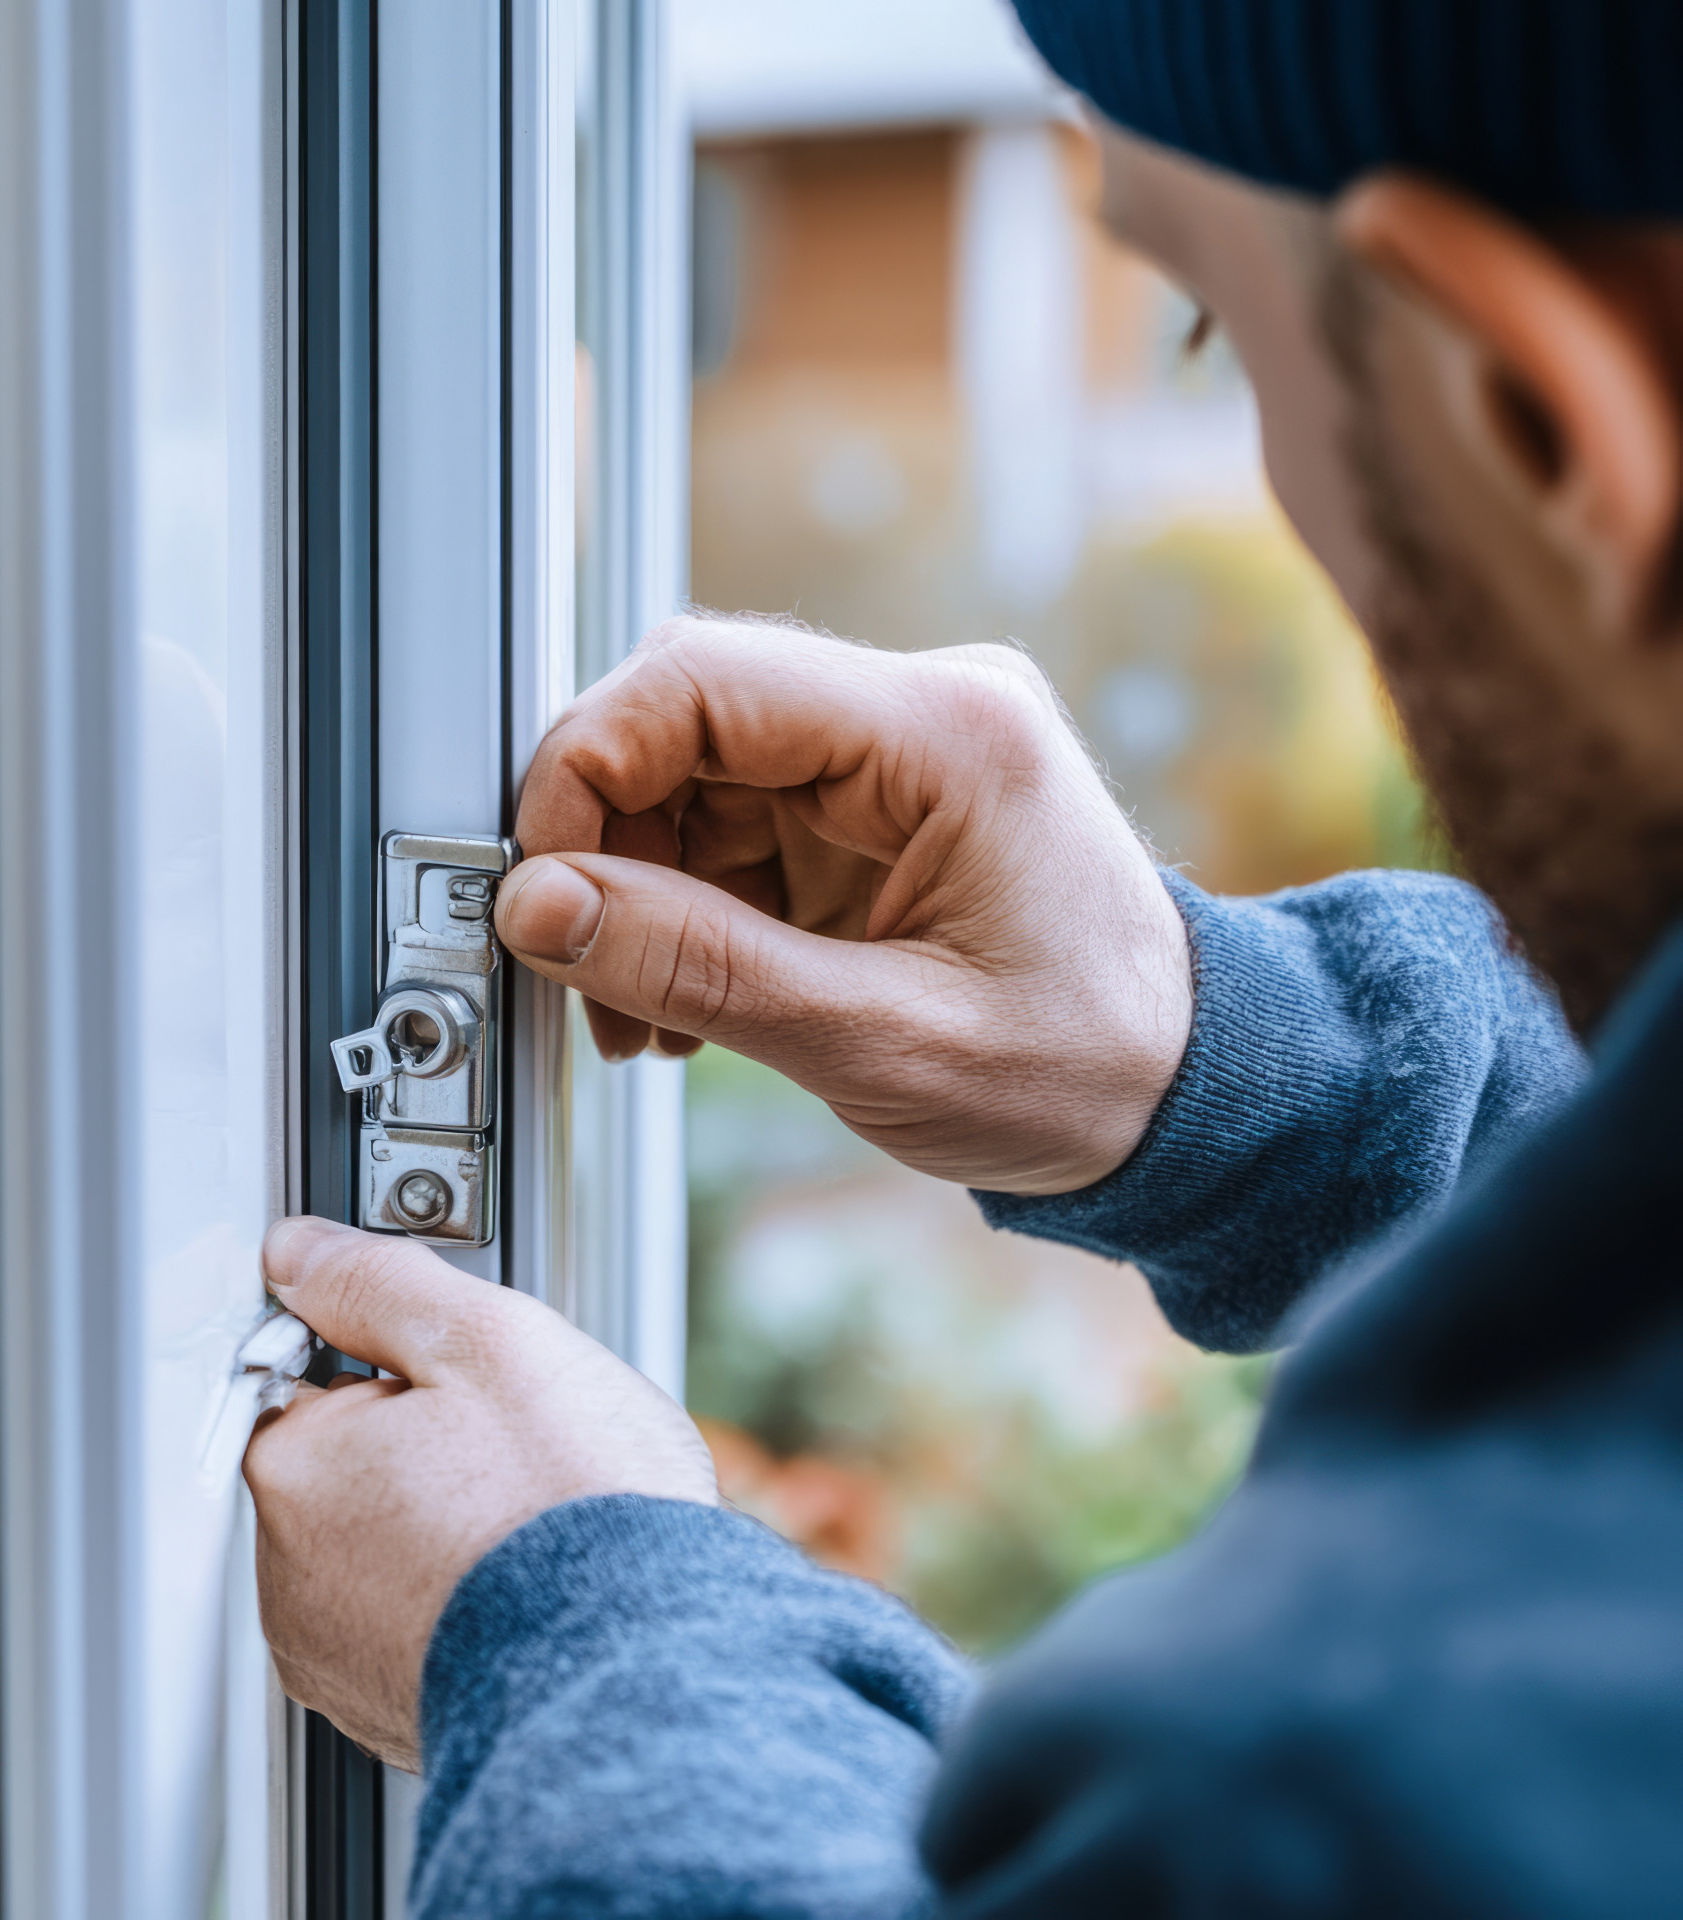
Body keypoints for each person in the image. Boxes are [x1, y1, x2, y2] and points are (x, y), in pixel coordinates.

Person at [245, 4, 1683, 1911]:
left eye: (1204, 321)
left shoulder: (1382, 1758)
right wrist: (1242, 1063)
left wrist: (584, 1633)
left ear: (1539, 416)